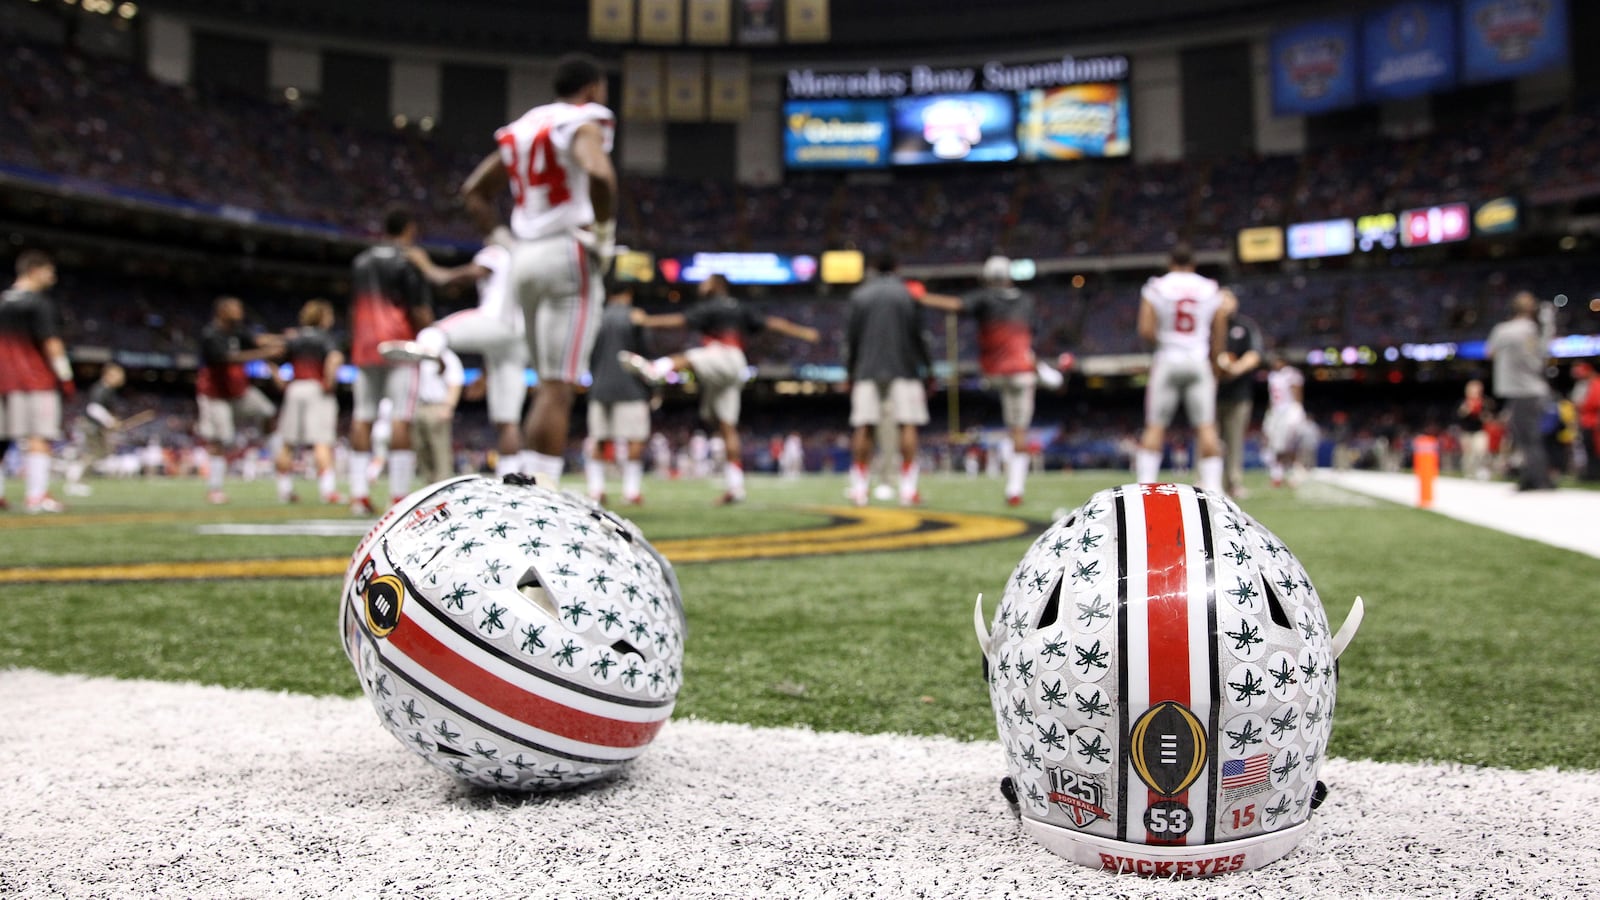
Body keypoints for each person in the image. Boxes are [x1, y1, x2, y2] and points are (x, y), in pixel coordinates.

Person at [461, 53, 616, 484]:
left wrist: (501, 240)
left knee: (547, 384)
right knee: (557, 385)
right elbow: (601, 177)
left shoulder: (525, 125)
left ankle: (527, 486)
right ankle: (541, 494)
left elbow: (473, 191)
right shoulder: (584, 119)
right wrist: (604, 234)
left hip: (524, 256)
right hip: (568, 251)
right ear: (592, 89)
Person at [622, 273, 820, 504]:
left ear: (716, 285)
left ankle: (656, 369)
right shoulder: (740, 307)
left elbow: (678, 321)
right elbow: (772, 323)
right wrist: (804, 332)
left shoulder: (711, 306)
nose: (701, 285)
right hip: (734, 367)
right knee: (726, 427)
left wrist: (646, 321)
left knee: (691, 356)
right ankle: (736, 488)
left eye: (705, 281)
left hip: (724, 357)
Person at [382, 230, 528, 478]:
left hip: (495, 321)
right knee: (509, 421)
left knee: (432, 333)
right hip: (518, 337)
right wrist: (485, 372)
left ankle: (433, 359)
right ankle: (512, 480)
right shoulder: (523, 257)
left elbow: (455, 278)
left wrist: (427, 267)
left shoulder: (497, 252)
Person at [915, 256, 1048, 505]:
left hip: (995, 372)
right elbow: (1033, 334)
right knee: (1019, 431)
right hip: (1022, 371)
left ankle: (1012, 484)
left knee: (1008, 426)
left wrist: (922, 297)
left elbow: (955, 305)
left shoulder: (985, 297)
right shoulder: (1027, 301)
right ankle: (1015, 489)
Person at [348, 208, 433, 515]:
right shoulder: (407, 260)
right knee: (401, 418)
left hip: (365, 344)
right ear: (409, 228)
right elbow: (419, 309)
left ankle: (358, 495)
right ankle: (398, 497)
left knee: (362, 417)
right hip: (401, 344)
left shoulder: (360, 261)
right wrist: (431, 339)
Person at [1134, 242, 1231, 494]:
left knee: (1155, 426)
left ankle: (1146, 487)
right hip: (1198, 358)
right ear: (1194, 263)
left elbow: (1145, 328)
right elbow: (1220, 323)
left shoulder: (1157, 286)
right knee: (1206, 426)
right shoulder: (1209, 287)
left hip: (1168, 358)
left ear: (1170, 263)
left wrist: (1164, 342)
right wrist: (1216, 358)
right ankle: (1214, 490)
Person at [844, 253, 933, 507]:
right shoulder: (907, 294)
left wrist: (851, 372)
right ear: (896, 267)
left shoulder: (860, 295)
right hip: (903, 367)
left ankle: (860, 489)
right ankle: (907, 490)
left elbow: (851, 339)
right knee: (907, 424)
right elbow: (920, 336)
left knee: (864, 425)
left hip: (867, 369)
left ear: (872, 266)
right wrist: (927, 369)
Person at [0, 250, 74, 512]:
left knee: (2, 437)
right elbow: (51, 344)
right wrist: (66, 377)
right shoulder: (39, 303)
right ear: (34, 270)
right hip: (34, 381)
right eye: (49, 271)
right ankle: (36, 496)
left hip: (2, 380)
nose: (52, 277)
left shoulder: (3, 301)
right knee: (39, 437)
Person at [196, 296, 282, 505]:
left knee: (268, 412)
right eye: (235, 308)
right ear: (222, 310)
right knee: (221, 438)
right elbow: (226, 357)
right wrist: (264, 352)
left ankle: (280, 466)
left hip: (239, 392)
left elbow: (257, 340)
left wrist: (282, 339)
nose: (240, 311)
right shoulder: (211, 334)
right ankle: (215, 489)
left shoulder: (237, 332)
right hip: (215, 394)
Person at [584, 284, 653, 505]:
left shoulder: (596, 317)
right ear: (629, 293)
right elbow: (646, 353)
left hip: (600, 386)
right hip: (630, 387)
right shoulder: (635, 316)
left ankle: (596, 490)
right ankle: (631, 492)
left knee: (599, 439)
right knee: (635, 438)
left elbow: (589, 354)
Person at [273, 300, 344, 504]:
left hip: (295, 388)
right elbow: (333, 359)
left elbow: (274, 360)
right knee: (322, 441)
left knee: (288, 442)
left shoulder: (294, 338)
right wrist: (330, 381)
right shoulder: (326, 337)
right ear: (322, 316)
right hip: (316, 388)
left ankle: (284, 491)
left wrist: (281, 383)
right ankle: (328, 491)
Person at [1485, 290, 1555, 491]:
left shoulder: (1503, 330)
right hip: (1533, 389)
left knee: (1526, 437)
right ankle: (1534, 476)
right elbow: (1543, 353)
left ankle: (1538, 479)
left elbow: (1489, 352)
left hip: (1522, 391)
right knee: (1528, 436)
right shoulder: (1532, 329)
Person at [1214, 301, 1264, 496]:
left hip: (1238, 394)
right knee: (1209, 439)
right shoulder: (1209, 327)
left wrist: (1235, 369)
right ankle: (1207, 481)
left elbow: (1255, 354)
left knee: (1235, 441)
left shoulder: (1244, 327)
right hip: (1211, 394)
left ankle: (1233, 482)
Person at [65, 362, 126, 496]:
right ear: (109, 374)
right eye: (118, 375)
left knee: (98, 454)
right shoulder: (102, 389)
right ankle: (77, 481)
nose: (122, 378)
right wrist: (110, 421)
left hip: (93, 426)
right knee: (93, 454)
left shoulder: (105, 389)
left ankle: (77, 479)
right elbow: (94, 408)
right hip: (90, 426)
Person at [412, 342, 464, 485]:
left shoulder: (448, 357)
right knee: (421, 448)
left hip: (438, 405)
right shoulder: (416, 354)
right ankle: (429, 485)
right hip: (418, 405)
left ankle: (443, 486)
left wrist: (448, 406)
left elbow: (455, 382)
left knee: (440, 450)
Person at [1262, 353, 1307, 488]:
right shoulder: (1272, 376)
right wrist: (1269, 413)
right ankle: (1277, 475)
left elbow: (1297, 393)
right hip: (1276, 413)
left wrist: (1297, 409)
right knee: (1272, 444)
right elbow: (1272, 398)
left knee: (1288, 445)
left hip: (1288, 411)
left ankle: (1295, 472)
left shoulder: (1292, 374)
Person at [1457, 378, 1494, 480]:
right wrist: (1466, 410)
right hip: (1466, 432)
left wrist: (1484, 415)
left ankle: (1482, 472)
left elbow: (1490, 416)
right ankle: (1469, 474)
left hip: (1480, 431)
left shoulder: (1485, 402)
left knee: (1481, 452)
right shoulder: (1463, 402)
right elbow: (1458, 416)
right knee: (1468, 455)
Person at [1571, 361, 1600, 482]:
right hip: (1586, 421)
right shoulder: (1584, 384)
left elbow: (1595, 403)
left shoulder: (1596, 383)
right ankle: (1591, 473)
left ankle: (1594, 474)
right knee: (1588, 449)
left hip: (1594, 422)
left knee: (1595, 449)